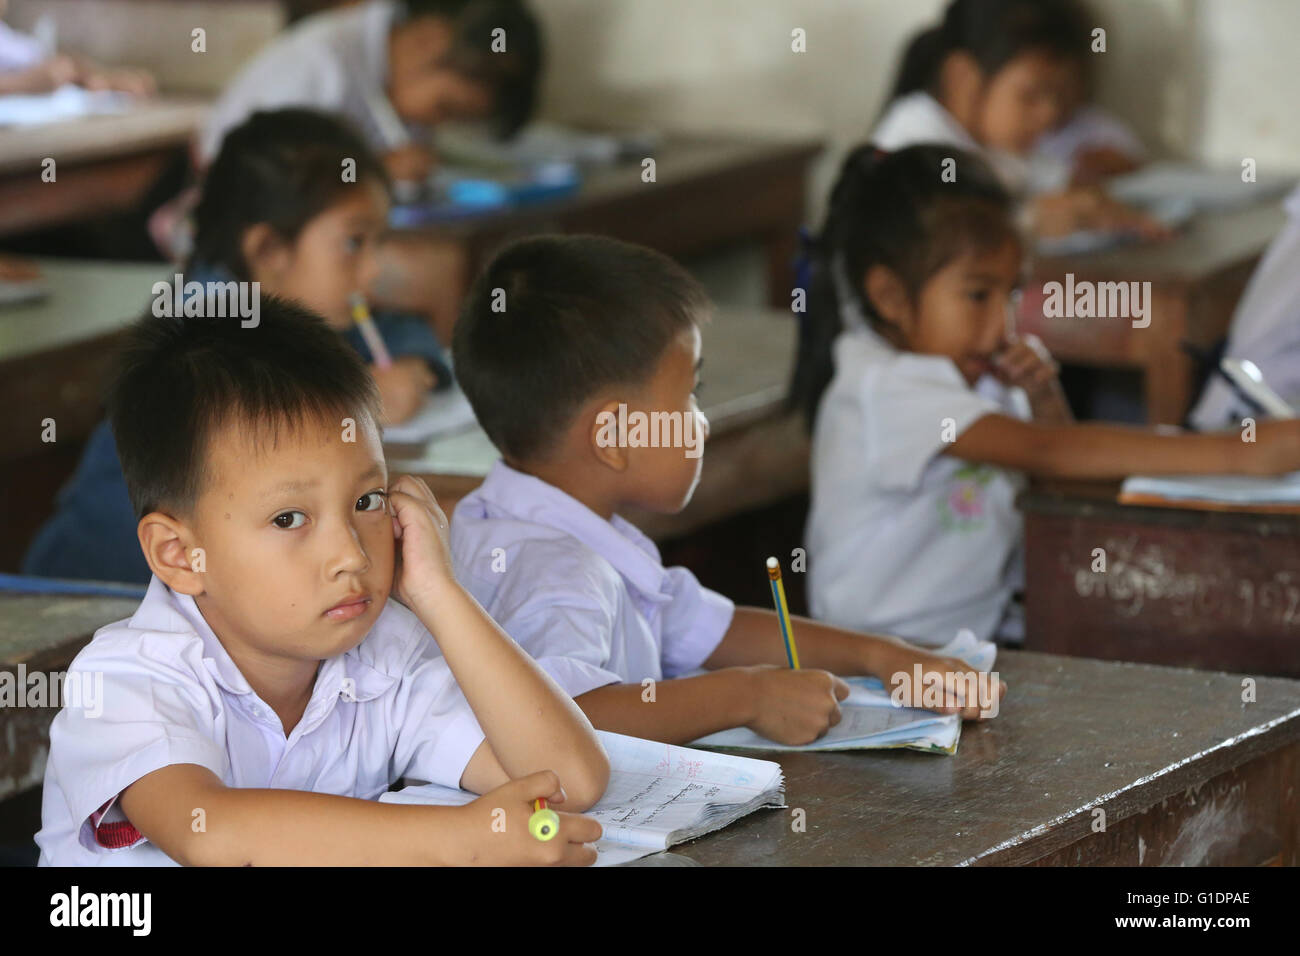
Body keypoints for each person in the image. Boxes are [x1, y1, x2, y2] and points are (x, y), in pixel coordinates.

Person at [35, 296, 608, 866]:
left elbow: (567, 780)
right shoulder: (127, 679)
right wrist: (458, 839)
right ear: (181, 554)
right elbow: (212, 836)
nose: (350, 554)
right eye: (289, 519)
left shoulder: (383, 656)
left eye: (367, 500)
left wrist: (440, 593)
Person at [449, 234, 1004, 747]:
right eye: (689, 395)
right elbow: (561, 720)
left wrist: (886, 658)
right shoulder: (554, 569)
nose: (702, 423)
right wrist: (746, 697)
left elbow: (714, 629)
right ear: (614, 437)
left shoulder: (539, 524)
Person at [791, 144, 1300, 646]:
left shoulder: (972, 369)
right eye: (978, 295)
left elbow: (1052, 466)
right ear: (890, 297)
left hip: (973, 641)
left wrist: (1043, 399)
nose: (1001, 326)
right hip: (878, 660)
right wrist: (1236, 452)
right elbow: (1050, 452)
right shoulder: (884, 384)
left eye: (1013, 294)